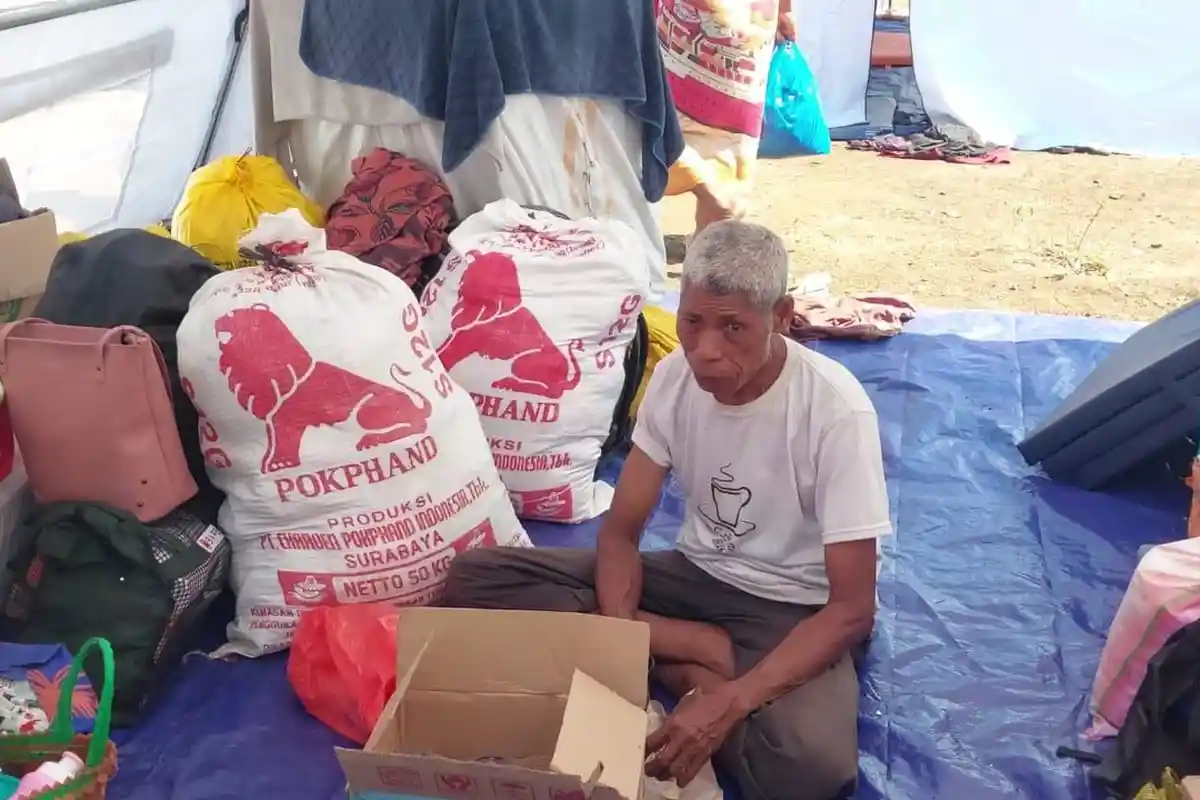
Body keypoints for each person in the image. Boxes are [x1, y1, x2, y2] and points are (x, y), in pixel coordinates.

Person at [441, 221, 891, 800]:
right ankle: (697, 653)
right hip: (695, 578)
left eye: (733, 328)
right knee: (480, 578)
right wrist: (627, 632)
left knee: (812, 773)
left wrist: (733, 699)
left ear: (780, 317)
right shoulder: (676, 377)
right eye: (693, 321)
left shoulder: (835, 412)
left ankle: (691, 668)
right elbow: (622, 532)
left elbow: (853, 609)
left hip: (791, 609)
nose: (706, 350)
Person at [658, 0, 797, 235]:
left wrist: (784, 9)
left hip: (743, 43)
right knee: (651, 142)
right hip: (686, 37)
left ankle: (711, 245)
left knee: (731, 166)